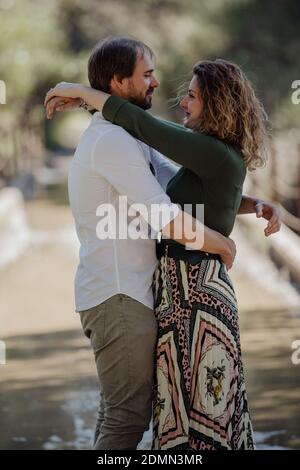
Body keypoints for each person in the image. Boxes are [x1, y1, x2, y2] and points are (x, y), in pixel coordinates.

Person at [45, 37, 281, 450]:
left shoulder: (135, 137)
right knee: (135, 418)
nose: (159, 85)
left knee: (181, 413)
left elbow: (174, 183)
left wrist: (85, 95)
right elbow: (166, 211)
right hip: (127, 295)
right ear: (119, 83)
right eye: (147, 74)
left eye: (190, 95)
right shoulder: (116, 139)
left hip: (169, 294)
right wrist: (223, 244)